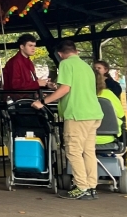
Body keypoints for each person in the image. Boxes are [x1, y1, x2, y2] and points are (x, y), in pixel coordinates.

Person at [32, 40, 103, 200]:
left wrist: (42, 102)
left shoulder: (65, 64)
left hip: (77, 114)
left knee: (73, 151)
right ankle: (92, 187)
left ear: (60, 54)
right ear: (76, 51)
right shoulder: (86, 67)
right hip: (94, 113)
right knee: (89, 151)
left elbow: (65, 89)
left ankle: (81, 186)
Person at [95, 71, 125, 148]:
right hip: (109, 138)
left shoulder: (81, 95)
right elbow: (121, 115)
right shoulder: (109, 94)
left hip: (84, 139)